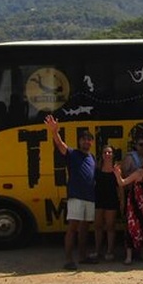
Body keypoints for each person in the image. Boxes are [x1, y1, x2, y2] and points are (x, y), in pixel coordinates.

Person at [44, 115, 96, 270]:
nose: (86, 142)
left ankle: (82, 256)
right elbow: (60, 144)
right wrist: (54, 131)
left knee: (85, 228)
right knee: (73, 228)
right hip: (76, 197)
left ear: (91, 142)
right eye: (83, 139)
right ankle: (68, 259)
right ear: (79, 141)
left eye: (89, 140)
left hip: (90, 197)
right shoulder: (72, 154)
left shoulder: (92, 157)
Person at [113, 155, 143, 264]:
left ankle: (142, 253)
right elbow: (122, 182)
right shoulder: (139, 173)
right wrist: (117, 174)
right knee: (131, 228)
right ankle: (128, 256)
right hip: (134, 204)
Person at [92, 145, 120, 262]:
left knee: (110, 226)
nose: (107, 154)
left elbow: (120, 187)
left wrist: (122, 201)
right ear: (102, 155)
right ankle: (97, 250)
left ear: (113, 154)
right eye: (105, 152)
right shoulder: (97, 168)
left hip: (112, 199)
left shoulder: (116, 168)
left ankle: (110, 251)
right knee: (98, 226)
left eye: (109, 152)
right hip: (99, 199)